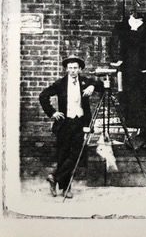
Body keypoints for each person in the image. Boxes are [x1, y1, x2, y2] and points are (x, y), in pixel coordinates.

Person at [39, 55, 104, 198]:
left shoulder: (86, 82)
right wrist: (53, 112)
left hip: (80, 123)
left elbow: (102, 86)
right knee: (63, 155)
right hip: (65, 124)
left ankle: (55, 177)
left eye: (75, 68)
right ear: (66, 69)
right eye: (70, 68)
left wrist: (93, 86)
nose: (73, 70)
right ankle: (65, 188)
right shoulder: (60, 84)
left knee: (75, 155)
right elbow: (43, 96)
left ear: (80, 69)